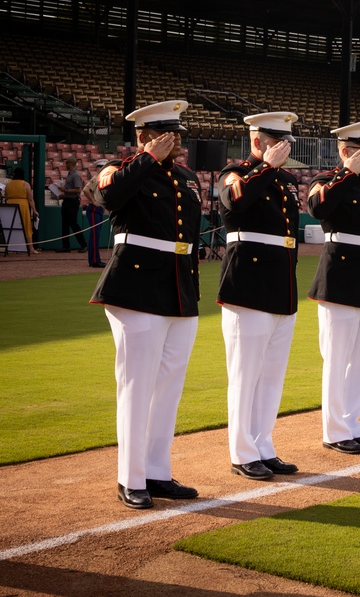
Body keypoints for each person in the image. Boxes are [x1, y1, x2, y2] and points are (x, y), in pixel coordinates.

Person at [90, 100, 201, 509]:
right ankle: (131, 478)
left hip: (178, 289)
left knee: (168, 387)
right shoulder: (118, 169)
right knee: (137, 387)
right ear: (143, 136)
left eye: (177, 136)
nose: (174, 143)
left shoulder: (186, 177)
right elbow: (109, 197)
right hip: (134, 287)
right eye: (165, 136)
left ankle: (157, 471)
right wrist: (146, 160)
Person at [217, 111, 301, 479]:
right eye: (276, 142)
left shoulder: (286, 179)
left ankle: (263, 445)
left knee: (271, 376)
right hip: (247, 284)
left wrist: (273, 170)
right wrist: (266, 168)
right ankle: (242, 452)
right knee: (245, 374)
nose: (283, 149)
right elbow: (236, 202)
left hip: (281, 284)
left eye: (286, 143)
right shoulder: (234, 173)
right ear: (256, 141)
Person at [309, 118, 360, 453]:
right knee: (338, 357)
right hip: (340, 279)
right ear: (345, 151)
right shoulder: (328, 180)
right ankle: (334, 430)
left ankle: (352, 423)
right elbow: (317, 207)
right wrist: (346, 173)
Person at [3, 167, 41, 253]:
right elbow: (30, 199)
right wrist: (34, 210)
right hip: (22, 206)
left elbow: (6, 197)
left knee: (11, 226)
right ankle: (30, 248)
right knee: (26, 226)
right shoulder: (25, 184)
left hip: (10, 205)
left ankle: (12, 247)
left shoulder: (8, 185)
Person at [59, 157, 88, 253]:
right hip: (67, 200)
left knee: (73, 223)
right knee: (65, 224)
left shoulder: (75, 175)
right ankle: (66, 246)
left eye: (67, 162)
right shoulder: (70, 174)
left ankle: (83, 245)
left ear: (71, 163)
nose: (65, 164)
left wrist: (66, 190)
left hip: (72, 201)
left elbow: (78, 189)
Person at [82, 170, 105, 267]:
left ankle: (94, 260)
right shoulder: (97, 178)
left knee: (95, 235)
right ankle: (95, 260)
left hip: (99, 209)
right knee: (95, 235)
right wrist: (93, 201)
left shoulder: (103, 179)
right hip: (94, 209)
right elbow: (85, 190)